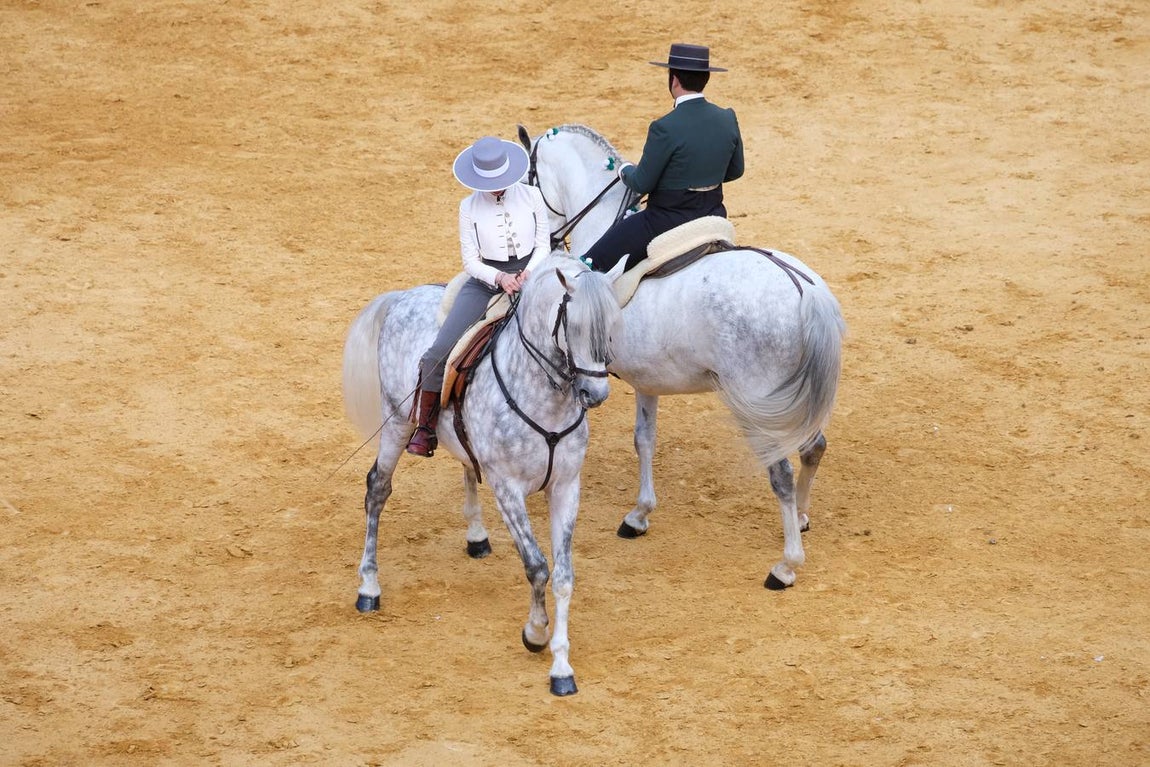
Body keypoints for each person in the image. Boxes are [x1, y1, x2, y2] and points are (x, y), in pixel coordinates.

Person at [406, 136, 551, 458]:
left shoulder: (532, 196)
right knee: (439, 351)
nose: (497, 189)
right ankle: (425, 427)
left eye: (501, 182)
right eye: (490, 184)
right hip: (486, 281)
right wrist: (500, 277)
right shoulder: (468, 207)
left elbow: (544, 243)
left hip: (533, 273)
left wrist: (527, 273)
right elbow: (471, 261)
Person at [582, 43, 744, 273]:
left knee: (591, 264)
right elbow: (736, 170)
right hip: (714, 214)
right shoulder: (727, 117)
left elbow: (641, 183)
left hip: (666, 222)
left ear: (674, 79)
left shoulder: (664, 127)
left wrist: (624, 169)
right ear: (706, 78)